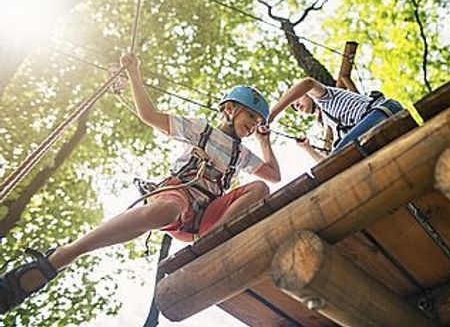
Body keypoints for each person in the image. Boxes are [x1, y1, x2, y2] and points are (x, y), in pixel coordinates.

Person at [0, 53, 281, 314]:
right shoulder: (200, 130)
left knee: (260, 189)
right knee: (165, 212)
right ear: (230, 109)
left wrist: (264, 141)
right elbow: (149, 115)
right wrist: (134, 73)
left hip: (205, 216)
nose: (255, 125)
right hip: (179, 194)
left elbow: (272, 174)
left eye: (258, 122)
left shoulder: (240, 154)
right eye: (251, 118)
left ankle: (213, 240)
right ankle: (65, 255)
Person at [268, 77, 404, 161]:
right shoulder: (332, 129)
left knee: (339, 157)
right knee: (336, 161)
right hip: (372, 127)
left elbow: (308, 83)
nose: (296, 105)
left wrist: (272, 114)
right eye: (294, 108)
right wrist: (308, 149)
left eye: (296, 100)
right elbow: (329, 165)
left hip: (382, 112)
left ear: (308, 95)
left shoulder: (325, 98)